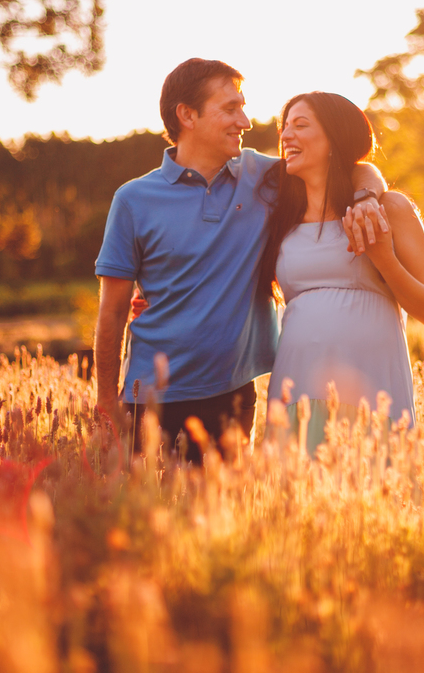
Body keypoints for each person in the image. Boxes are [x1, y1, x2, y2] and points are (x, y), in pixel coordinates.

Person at [93, 59, 387, 464]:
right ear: (187, 115)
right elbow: (111, 312)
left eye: (243, 107)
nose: (244, 121)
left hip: (231, 397)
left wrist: (368, 197)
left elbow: (354, 168)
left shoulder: (265, 178)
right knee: (147, 520)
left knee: (219, 519)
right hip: (150, 399)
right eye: (230, 108)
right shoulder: (133, 200)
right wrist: (107, 399)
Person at [261, 92, 424, 453]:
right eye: (285, 127)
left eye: (301, 125)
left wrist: (383, 257)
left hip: (374, 392)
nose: (286, 136)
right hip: (295, 392)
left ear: (334, 139)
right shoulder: (278, 214)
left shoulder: (388, 208)